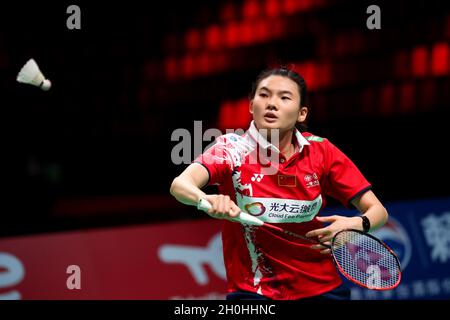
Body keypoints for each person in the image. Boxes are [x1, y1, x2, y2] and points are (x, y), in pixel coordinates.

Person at [170, 67, 388, 300]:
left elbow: (378, 211)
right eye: (264, 95)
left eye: (284, 97)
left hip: (321, 287)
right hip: (255, 291)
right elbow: (180, 185)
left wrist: (356, 224)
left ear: (302, 113)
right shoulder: (231, 150)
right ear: (252, 106)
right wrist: (207, 199)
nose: (272, 104)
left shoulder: (321, 151)